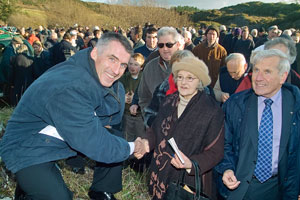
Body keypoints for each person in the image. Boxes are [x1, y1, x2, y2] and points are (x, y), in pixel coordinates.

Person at [0, 32, 148, 200]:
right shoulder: (71, 87)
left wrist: (113, 137)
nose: (116, 71)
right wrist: (132, 147)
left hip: (55, 134)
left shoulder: (90, 68)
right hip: (26, 147)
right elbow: (94, 143)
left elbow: (107, 118)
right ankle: (27, 190)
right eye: (112, 59)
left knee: (113, 137)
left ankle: (101, 191)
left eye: (123, 65)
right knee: (60, 197)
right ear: (95, 53)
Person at [136, 56, 225, 200]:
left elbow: (216, 151)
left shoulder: (212, 111)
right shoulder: (168, 101)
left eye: (190, 78)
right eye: (180, 77)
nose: (183, 82)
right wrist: (147, 143)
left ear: (200, 81)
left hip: (188, 180)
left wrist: (192, 163)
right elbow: (155, 130)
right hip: (161, 172)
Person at [216, 49, 300, 200]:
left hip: (279, 189)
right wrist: (227, 168)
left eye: (267, 72)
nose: (258, 78)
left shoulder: (296, 105)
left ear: (283, 76)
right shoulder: (235, 104)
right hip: (238, 188)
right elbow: (223, 142)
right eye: (256, 70)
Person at [138, 26, 181, 114]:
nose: (165, 49)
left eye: (169, 45)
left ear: (177, 45)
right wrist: (150, 120)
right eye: (161, 45)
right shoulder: (150, 67)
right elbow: (143, 97)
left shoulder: (191, 66)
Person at [119, 53, 145, 142]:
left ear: (141, 67)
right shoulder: (123, 78)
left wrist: (136, 98)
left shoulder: (144, 78)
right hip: (126, 115)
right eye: (130, 64)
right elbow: (115, 92)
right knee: (127, 139)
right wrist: (123, 98)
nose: (132, 67)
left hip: (141, 116)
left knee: (141, 139)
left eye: (136, 64)